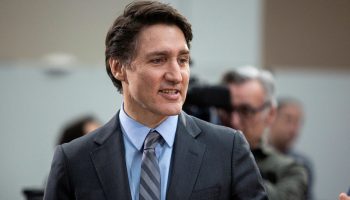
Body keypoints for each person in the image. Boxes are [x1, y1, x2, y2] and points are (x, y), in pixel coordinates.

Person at [44, 1, 268, 200]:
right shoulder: (74, 160)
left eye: (182, 60)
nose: (176, 75)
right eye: (158, 60)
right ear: (118, 67)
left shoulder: (227, 149)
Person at [217, 66, 308, 200]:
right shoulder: (201, 153)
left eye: (246, 111)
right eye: (227, 110)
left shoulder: (289, 171)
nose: (234, 121)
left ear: (270, 114)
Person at [268, 97, 314, 199]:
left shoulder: (303, 164)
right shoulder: (252, 158)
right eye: (288, 120)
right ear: (272, 117)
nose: (294, 129)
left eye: (298, 122)